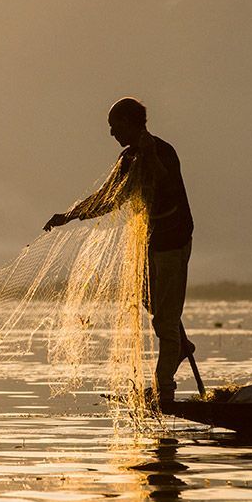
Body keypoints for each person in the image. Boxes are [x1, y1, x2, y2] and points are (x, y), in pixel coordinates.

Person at [44, 97, 195, 408]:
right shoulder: (127, 160)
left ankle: (164, 388)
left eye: (115, 126)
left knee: (165, 322)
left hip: (173, 242)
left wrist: (150, 154)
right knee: (147, 299)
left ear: (131, 123)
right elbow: (107, 199)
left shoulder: (163, 151)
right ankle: (179, 345)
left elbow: (165, 186)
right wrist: (69, 215)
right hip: (152, 243)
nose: (112, 133)